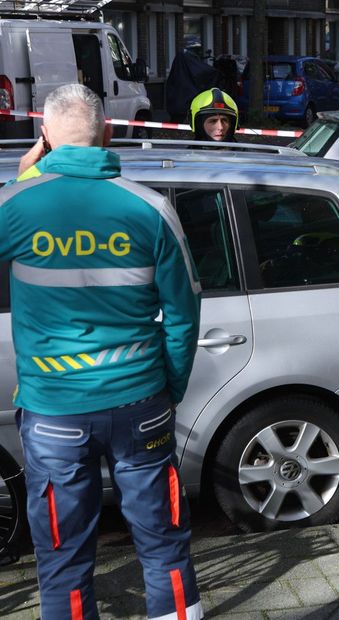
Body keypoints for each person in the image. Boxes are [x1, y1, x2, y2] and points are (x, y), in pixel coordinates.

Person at [0, 83, 203, 619]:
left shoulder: (15, 203)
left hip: (53, 412)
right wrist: (171, 388)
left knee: (63, 557)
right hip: (141, 405)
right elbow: (184, 313)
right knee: (163, 543)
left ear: (43, 135)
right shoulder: (151, 208)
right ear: (107, 133)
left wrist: (26, 178)